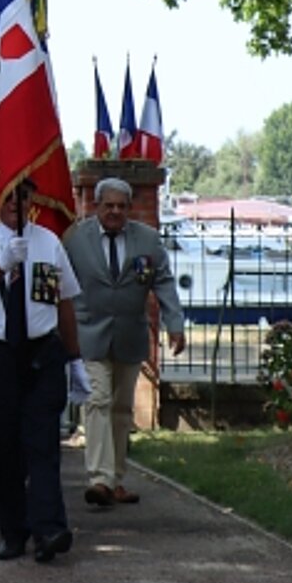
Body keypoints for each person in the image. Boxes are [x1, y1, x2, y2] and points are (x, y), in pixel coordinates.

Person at [0, 175, 88, 562]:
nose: (16, 203)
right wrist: (0, 267)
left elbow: (64, 302)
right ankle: (13, 530)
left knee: (43, 445)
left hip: (41, 354)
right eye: (8, 195)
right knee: (1, 449)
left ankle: (50, 530)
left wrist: (75, 360)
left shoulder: (48, 242)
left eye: (23, 195)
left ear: (33, 199)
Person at [63, 177, 186, 509]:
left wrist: (175, 323)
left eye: (121, 206)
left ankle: (116, 479)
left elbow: (163, 282)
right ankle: (99, 479)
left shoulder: (147, 240)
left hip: (130, 335)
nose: (115, 212)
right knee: (97, 400)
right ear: (97, 205)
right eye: (109, 206)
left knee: (121, 409)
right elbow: (60, 284)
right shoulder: (76, 239)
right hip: (89, 334)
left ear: (130, 209)